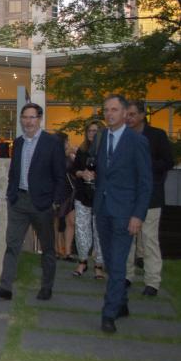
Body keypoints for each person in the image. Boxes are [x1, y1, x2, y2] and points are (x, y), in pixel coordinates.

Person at [0, 103, 66, 302]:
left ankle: (46, 287)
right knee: (12, 244)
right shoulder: (19, 142)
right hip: (19, 201)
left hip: (42, 203)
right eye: (25, 117)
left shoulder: (52, 143)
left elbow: (60, 176)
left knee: (47, 247)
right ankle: (6, 287)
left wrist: (55, 202)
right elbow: (14, 172)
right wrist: (10, 194)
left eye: (32, 117)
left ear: (40, 119)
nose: (28, 121)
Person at [88, 95, 151, 334]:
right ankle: (122, 303)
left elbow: (145, 183)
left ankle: (109, 313)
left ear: (125, 113)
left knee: (117, 261)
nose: (109, 114)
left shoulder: (137, 141)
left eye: (114, 110)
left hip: (125, 213)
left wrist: (138, 215)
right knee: (112, 261)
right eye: (106, 110)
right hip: (103, 210)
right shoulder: (102, 138)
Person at [125, 101, 173, 296]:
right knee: (127, 239)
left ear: (143, 115)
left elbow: (168, 161)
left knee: (149, 239)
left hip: (151, 196)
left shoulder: (157, 136)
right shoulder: (123, 136)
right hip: (127, 196)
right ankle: (127, 276)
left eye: (133, 114)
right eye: (127, 114)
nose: (129, 118)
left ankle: (152, 281)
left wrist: (145, 166)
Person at [71, 120, 106, 279]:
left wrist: (98, 176)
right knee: (81, 229)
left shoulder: (106, 151)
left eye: (96, 131)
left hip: (100, 196)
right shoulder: (82, 150)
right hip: (82, 194)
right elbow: (73, 169)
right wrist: (82, 173)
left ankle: (98, 264)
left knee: (99, 230)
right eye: (90, 130)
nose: (92, 133)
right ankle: (82, 261)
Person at [54, 132, 76, 261]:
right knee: (56, 221)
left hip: (70, 191)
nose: (68, 143)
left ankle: (67, 251)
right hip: (58, 191)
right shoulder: (55, 155)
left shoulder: (71, 155)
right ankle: (57, 249)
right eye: (66, 141)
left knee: (70, 221)